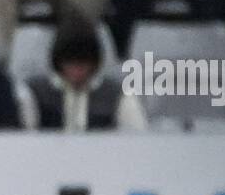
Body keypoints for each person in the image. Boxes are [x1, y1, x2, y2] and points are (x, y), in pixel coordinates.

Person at [15, 21, 147, 131]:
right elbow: (24, 138)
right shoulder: (35, 93)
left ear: (94, 63)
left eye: (83, 63)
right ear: (58, 62)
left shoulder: (118, 96)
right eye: (70, 63)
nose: (76, 70)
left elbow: (136, 137)